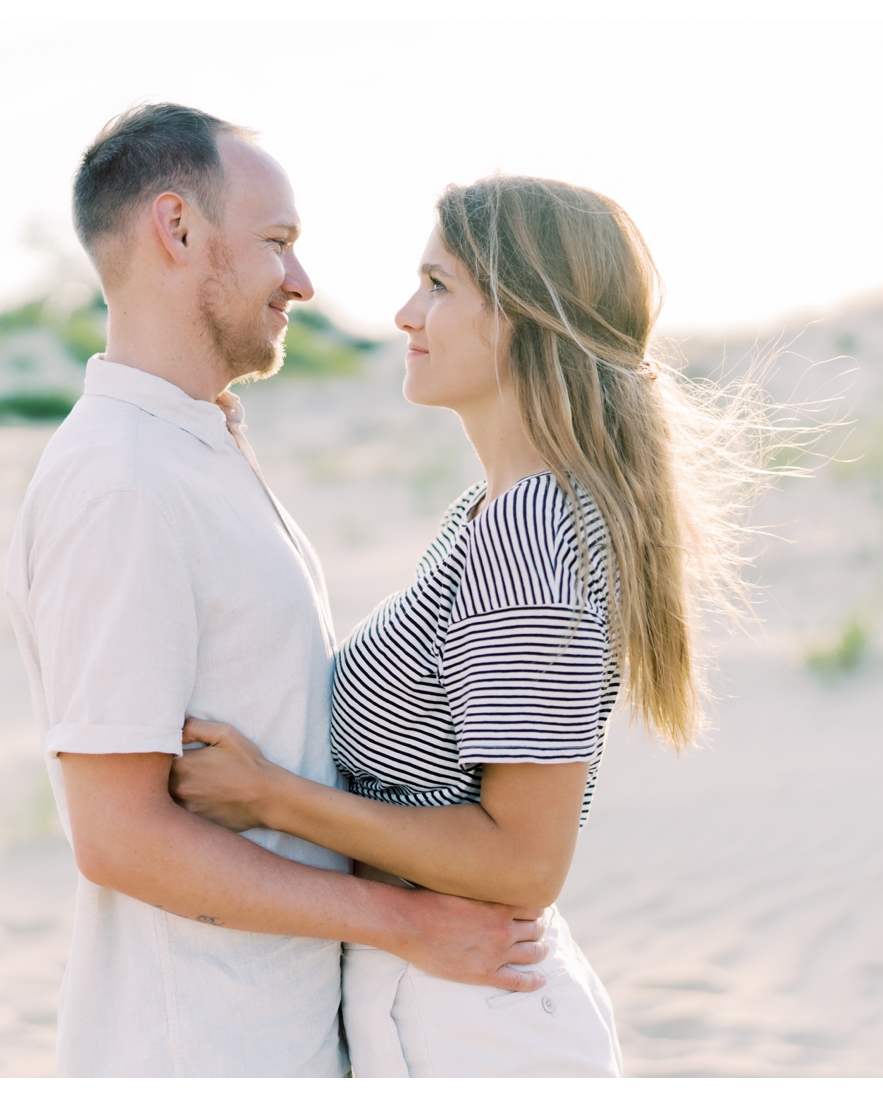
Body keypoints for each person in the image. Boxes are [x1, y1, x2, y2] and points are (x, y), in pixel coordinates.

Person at [171, 174, 766, 1076]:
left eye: (440, 285)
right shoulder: (497, 516)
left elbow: (526, 861)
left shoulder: (531, 532)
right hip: (445, 1003)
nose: (407, 313)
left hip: (474, 1023)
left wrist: (271, 797)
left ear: (529, 316)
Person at [4, 106, 552, 1079]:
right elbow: (120, 836)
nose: (301, 281)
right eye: (277, 244)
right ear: (176, 229)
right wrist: (405, 922)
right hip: (199, 1053)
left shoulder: (195, 448)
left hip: (280, 1039)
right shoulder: (120, 480)